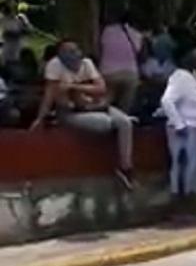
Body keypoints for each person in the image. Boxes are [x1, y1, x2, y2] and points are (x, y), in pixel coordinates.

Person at [32, 39, 135, 189]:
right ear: (60, 54)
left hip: (95, 106)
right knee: (106, 124)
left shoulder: (87, 63)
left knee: (125, 122)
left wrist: (74, 87)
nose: (73, 54)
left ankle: (125, 167)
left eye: (75, 50)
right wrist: (40, 118)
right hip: (71, 112)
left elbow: (101, 88)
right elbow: (50, 94)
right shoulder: (54, 66)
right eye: (68, 51)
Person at [160, 48, 196, 199]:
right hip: (186, 126)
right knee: (184, 162)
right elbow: (167, 100)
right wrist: (179, 124)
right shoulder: (181, 77)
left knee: (192, 162)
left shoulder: (193, 78)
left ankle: (189, 192)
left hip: (195, 126)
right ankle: (182, 194)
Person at [98, 11, 145, 113]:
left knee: (105, 103)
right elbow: (140, 54)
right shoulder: (137, 35)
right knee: (124, 108)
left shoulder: (107, 31)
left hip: (108, 72)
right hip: (130, 74)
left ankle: (105, 119)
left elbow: (100, 49)